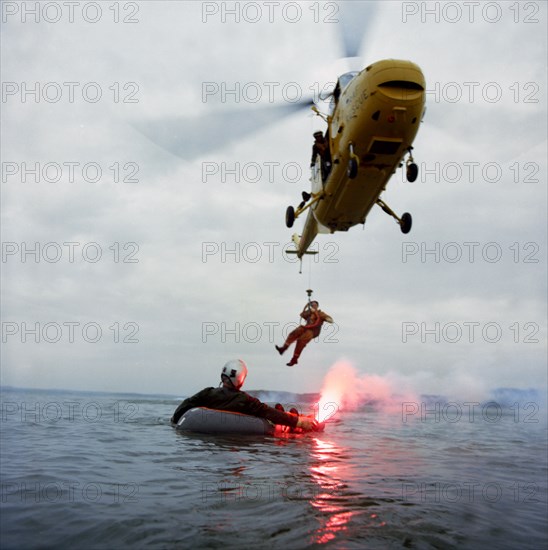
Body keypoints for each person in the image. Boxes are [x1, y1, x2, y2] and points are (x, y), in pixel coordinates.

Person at [170, 359, 319, 431]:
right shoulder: (244, 400)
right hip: (240, 436)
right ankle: (298, 420)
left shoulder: (207, 393)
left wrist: (175, 421)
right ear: (241, 380)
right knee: (275, 413)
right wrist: (297, 422)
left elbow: (185, 406)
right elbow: (267, 412)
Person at [275, 301, 334, 366]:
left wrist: (326, 318)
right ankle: (283, 348)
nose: (313, 306)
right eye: (312, 305)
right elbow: (302, 314)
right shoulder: (310, 312)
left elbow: (330, 320)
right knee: (293, 333)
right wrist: (308, 309)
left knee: (300, 341)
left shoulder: (321, 313)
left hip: (313, 331)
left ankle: (294, 359)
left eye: (315, 305)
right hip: (306, 327)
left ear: (317, 306)